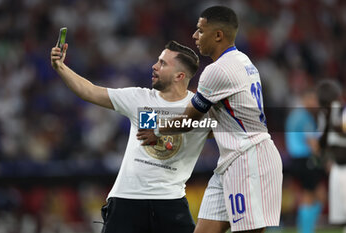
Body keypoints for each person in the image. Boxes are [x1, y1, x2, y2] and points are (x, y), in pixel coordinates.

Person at [138, 6, 283, 233]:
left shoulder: (218, 71)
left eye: (200, 30)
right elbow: (220, 120)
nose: (195, 36)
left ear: (218, 35)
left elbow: (189, 119)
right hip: (231, 161)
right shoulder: (243, 61)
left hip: (248, 159)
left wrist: (156, 131)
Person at [50, 40, 212, 233]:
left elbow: (232, 129)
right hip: (127, 200)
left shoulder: (200, 111)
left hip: (170, 202)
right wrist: (61, 67)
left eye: (163, 63)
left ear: (180, 75)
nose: (154, 66)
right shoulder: (139, 98)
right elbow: (90, 91)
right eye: (158, 61)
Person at [285, 89, 325, 233]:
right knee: (310, 195)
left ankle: (307, 228)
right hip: (305, 159)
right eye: (313, 100)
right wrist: (324, 158)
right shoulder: (304, 117)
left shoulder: (293, 115)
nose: (316, 103)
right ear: (306, 99)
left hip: (296, 160)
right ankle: (306, 230)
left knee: (318, 193)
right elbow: (312, 143)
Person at [316, 80, 346, 232]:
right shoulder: (324, 116)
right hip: (337, 167)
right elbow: (322, 142)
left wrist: (335, 119)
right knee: (339, 218)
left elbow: (341, 130)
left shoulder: (342, 112)